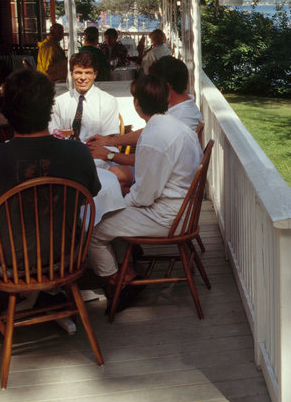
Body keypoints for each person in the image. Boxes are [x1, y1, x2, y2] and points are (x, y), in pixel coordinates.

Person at [0, 69, 101, 318]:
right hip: (66, 257)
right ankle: (44, 292)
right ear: (50, 108)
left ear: (5, 112)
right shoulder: (78, 153)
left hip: (8, 264)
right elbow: (88, 196)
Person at [87, 74, 203, 294]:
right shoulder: (177, 127)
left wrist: (122, 198)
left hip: (169, 217)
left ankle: (116, 281)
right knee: (112, 209)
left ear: (137, 103)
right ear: (165, 99)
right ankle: (126, 267)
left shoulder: (154, 137)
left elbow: (144, 197)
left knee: (94, 228)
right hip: (183, 209)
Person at [86, 55, 204, 171]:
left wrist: (109, 154)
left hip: (163, 177)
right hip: (163, 170)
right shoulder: (182, 108)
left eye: (153, 85)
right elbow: (148, 133)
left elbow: (147, 161)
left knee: (113, 174)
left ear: (166, 86)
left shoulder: (180, 118)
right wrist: (110, 142)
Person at [49, 52, 120, 146]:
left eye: (88, 73)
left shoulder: (108, 101)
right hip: (66, 151)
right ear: (71, 74)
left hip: (97, 151)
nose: (83, 77)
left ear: (95, 74)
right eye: (78, 72)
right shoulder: (58, 102)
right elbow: (53, 134)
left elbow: (109, 136)